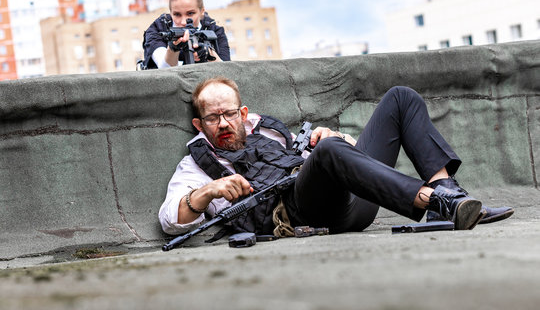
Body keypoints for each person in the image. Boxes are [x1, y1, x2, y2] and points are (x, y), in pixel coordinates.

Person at [158, 77, 513, 237]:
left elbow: (356, 164)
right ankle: (439, 201)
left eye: (229, 113)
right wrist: (209, 192)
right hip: (303, 213)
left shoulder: (268, 131)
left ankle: (446, 194)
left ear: (242, 111)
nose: (223, 123)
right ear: (198, 123)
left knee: (401, 98)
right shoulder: (197, 164)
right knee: (327, 153)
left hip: (357, 201)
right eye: (212, 117)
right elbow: (170, 219)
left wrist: (336, 138)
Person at [142, 0, 230, 69]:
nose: (184, 22)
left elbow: (228, 72)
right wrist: (173, 49)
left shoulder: (214, 31)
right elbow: (163, 67)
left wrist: (208, 53)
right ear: (171, 12)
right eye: (177, 14)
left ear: (202, 11)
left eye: (190, 13)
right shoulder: (158, 29)